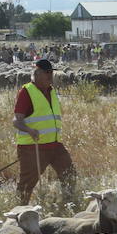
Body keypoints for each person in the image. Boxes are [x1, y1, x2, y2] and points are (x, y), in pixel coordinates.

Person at [13, 58, 75, 204]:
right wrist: (29, 130)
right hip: (32, 148)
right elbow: (16, 121)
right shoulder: (26, 92)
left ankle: (68, 204)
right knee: (26, 184)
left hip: (55, 145)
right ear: (37, 73)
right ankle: (19, 212)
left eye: (51, 72)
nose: (50, 76)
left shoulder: (51, 91)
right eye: (47, 73)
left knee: (69, 174)